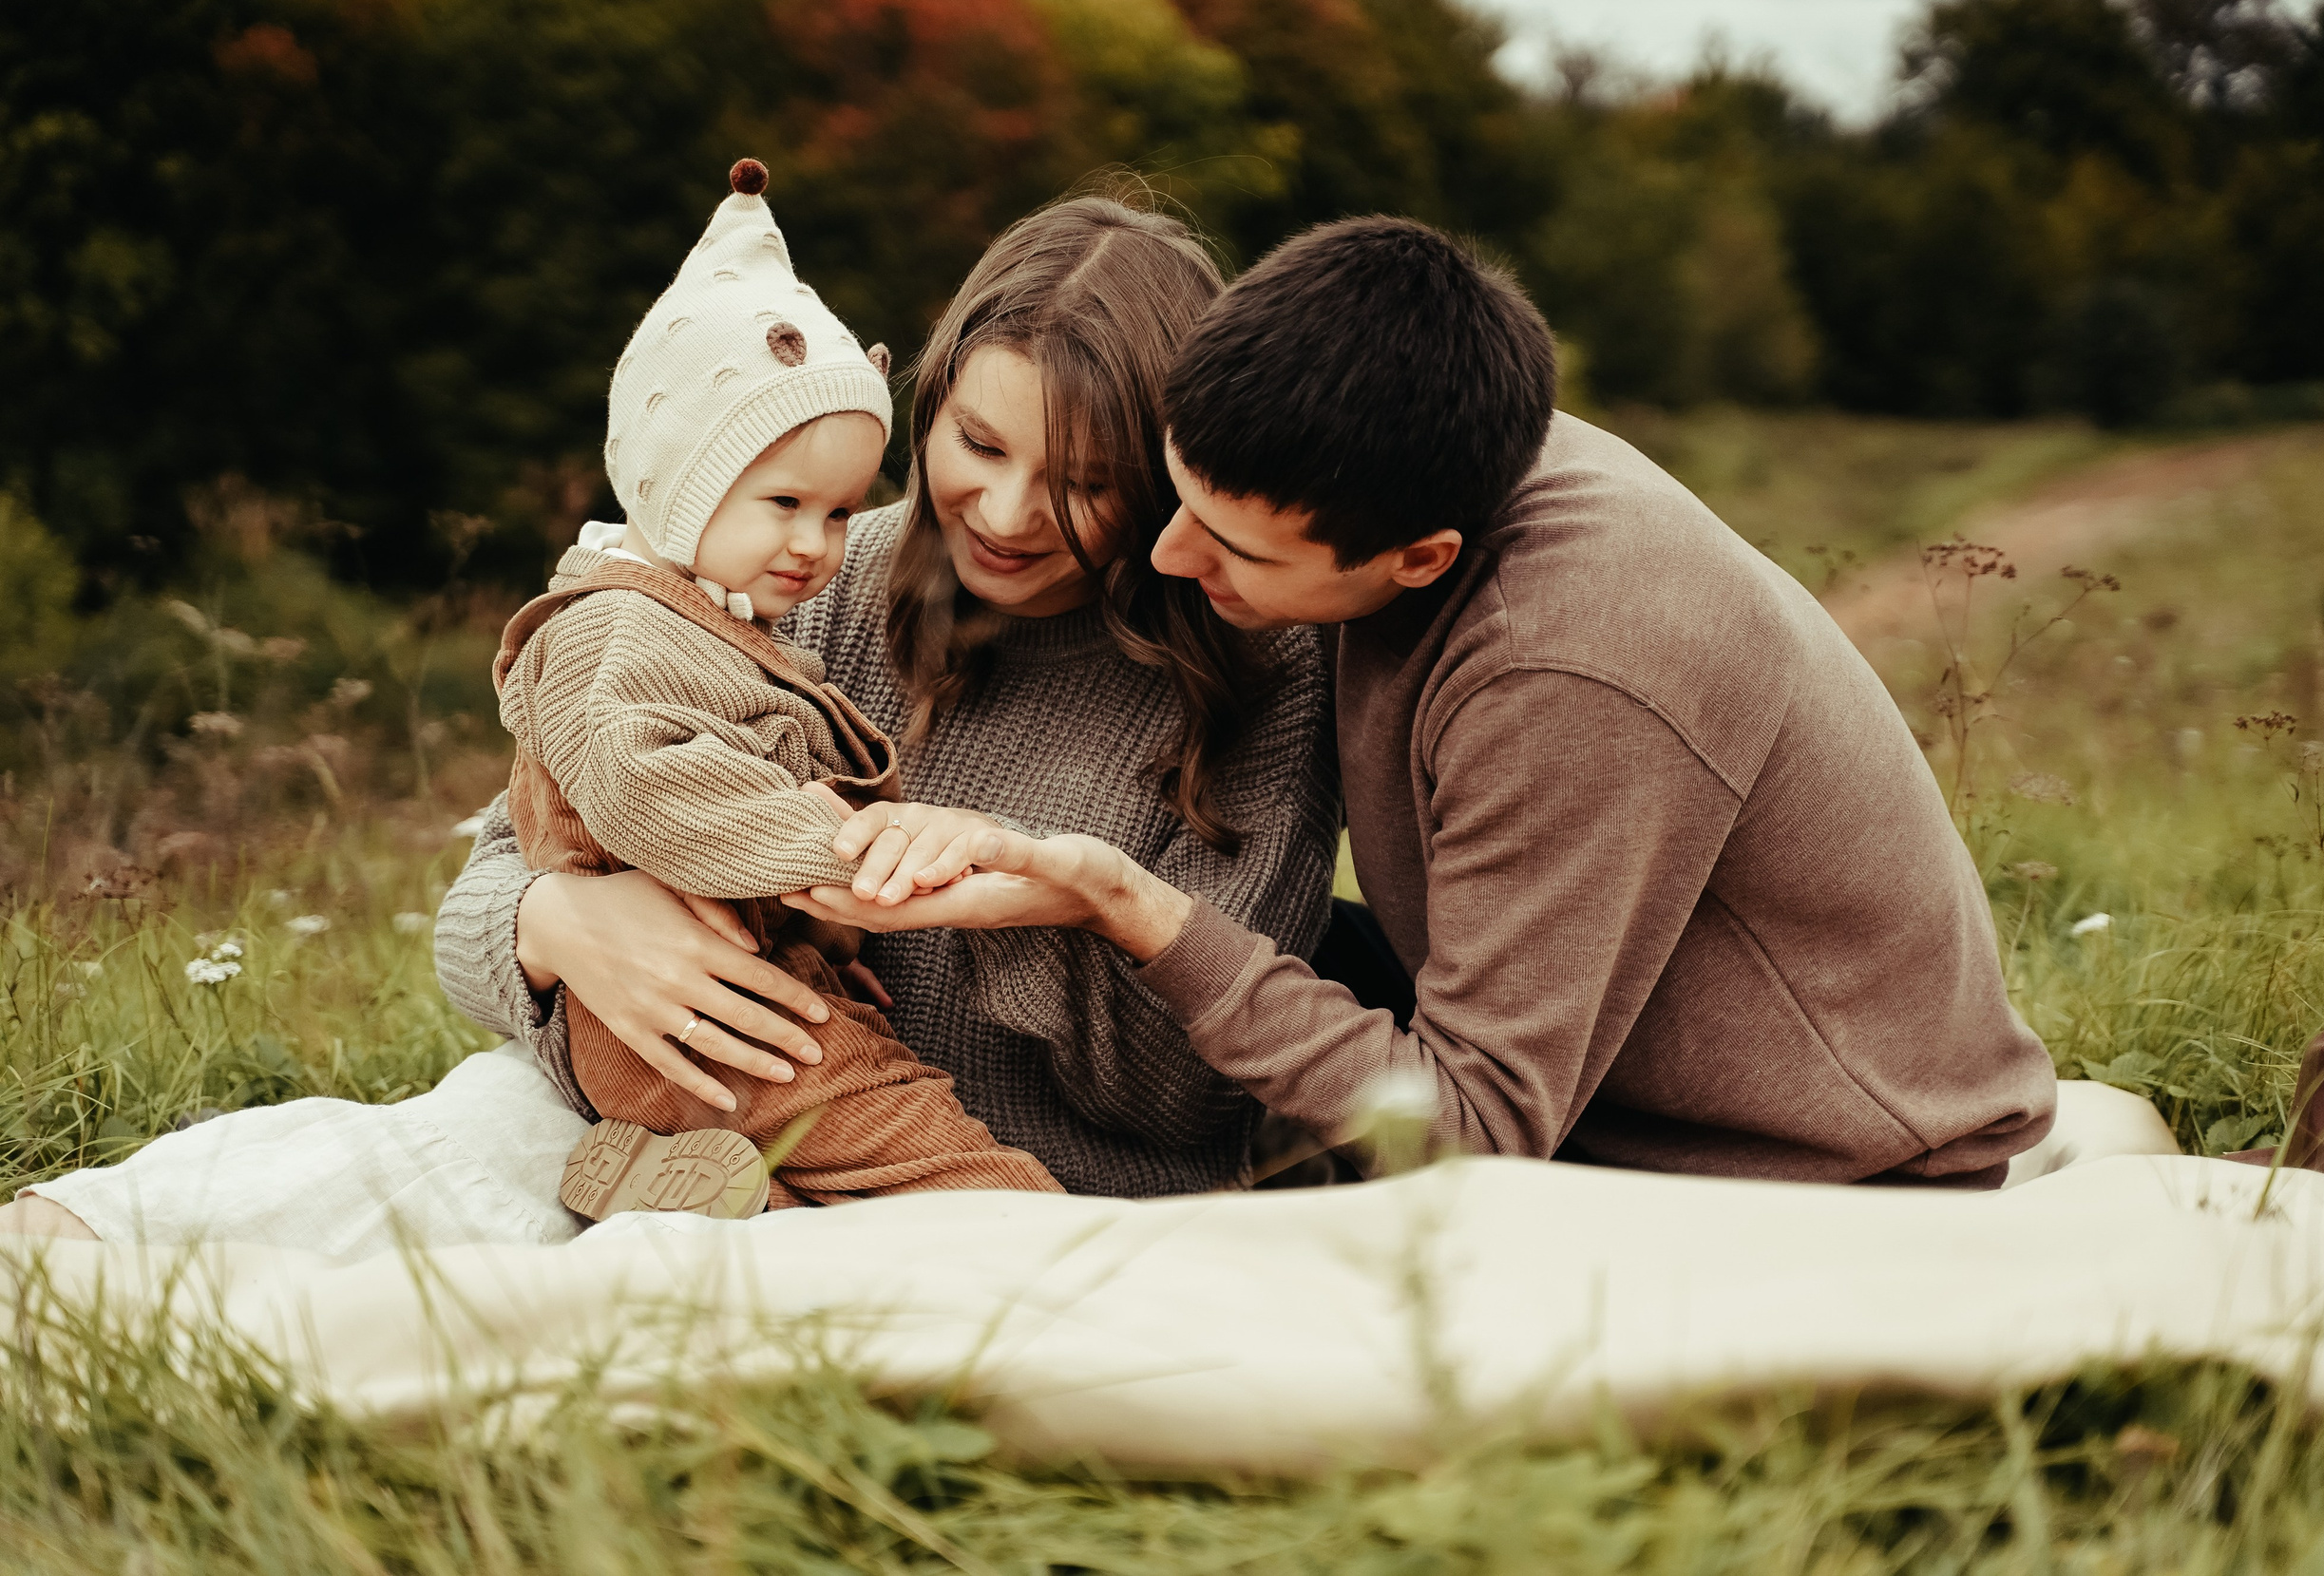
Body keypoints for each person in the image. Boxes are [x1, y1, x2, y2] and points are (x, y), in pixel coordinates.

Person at [6, 190, 1334, 1253]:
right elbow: (489, 881)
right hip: (713, 1116)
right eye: (978, 445)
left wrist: (1026, 900)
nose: (1006, 511)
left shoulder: (1253, 667)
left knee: (629, 1274)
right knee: (463, 1134)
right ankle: (66, 1257)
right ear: (929, 405)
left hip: (1029, 1198)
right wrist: (564, 928)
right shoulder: (812, 571)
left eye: (1087, 482)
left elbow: (1185, 1097)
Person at [800, 217, 2061, 1189]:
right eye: (1173, 494)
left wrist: (1117, 897)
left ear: (1419, 560)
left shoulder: (1562, 667)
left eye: (1233, 549)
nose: (1173, 560)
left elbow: (1481, 1127)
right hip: (1576, 1078)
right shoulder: (1383, 438)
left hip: (1790, 1167)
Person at [497, 159, 1059, 1219]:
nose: (814, 545)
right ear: (676, 484)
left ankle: (689, 1199)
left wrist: (830, 935)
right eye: (785, 502)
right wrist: (838, 855)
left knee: (844, 1167)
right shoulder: (616, 626)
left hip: (730, 1005)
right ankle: (1045, 1249)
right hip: (675, 1007)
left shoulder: (725, 615)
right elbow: (644, 783)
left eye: (842, 512)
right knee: (939, 1159)